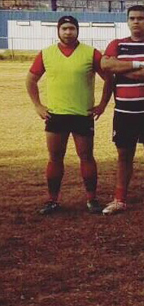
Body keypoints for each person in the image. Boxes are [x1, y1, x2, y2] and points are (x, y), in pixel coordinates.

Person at [25, 15, 113, 215]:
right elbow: (31, 80)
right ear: (58, 31)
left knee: (86, 157)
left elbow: (109, 79)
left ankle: (92, 199)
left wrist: (102, 105)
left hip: (82, 114)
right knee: (55, 158)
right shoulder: (46, 54)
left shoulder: (91, 53)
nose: (68, 32)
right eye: (64, 28)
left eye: (72, 28)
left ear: (77, 30)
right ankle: (52, 200)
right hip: (56, 116)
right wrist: (38, 105)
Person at [101, 5, 144, 215]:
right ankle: (119, 199)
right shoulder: (117, 44)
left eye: (140, 18)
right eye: (132, 18)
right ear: (127, 21)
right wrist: (139, 63)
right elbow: (106, 65)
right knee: (124, 155)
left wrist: (123, 70)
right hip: (124, 110)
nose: (136, 22)